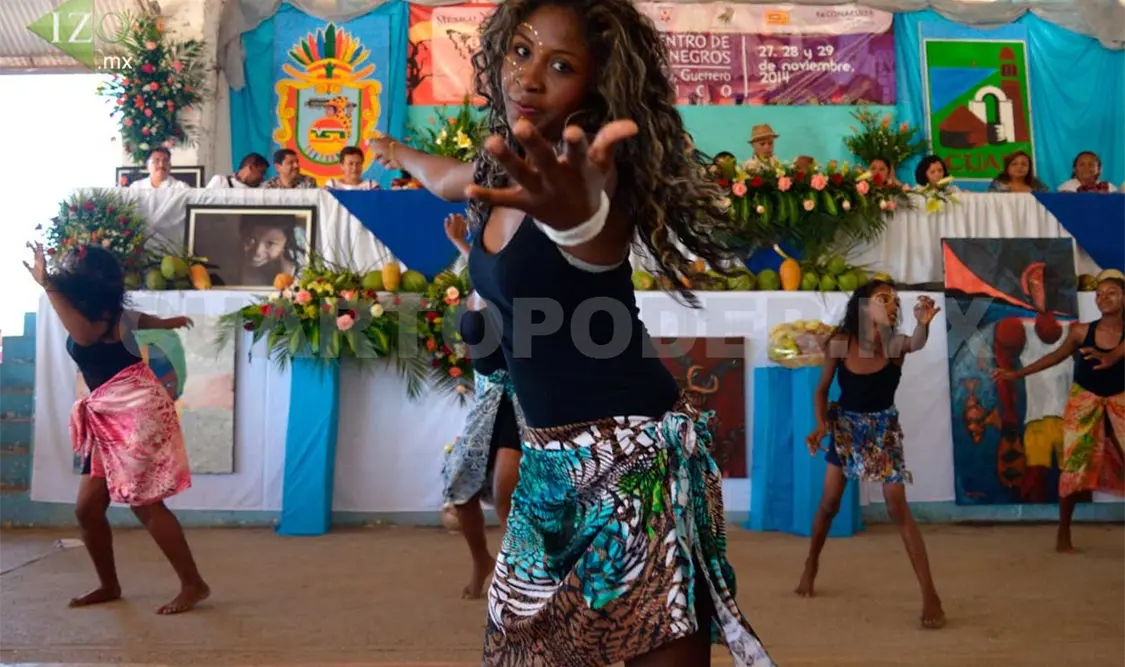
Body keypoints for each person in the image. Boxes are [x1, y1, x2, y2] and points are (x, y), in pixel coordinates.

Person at [368, 1, 772, 665]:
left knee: (657, 647)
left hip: (632, 459)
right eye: (520, 52)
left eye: (560, 65)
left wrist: (575, 219)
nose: (529, 77)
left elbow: (592, 230)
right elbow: (443, 178)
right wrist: (393, 151)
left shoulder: (587, 178)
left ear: (595, 83)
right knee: (522, 645)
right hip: (550, 463)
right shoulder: (500, 173)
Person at [24, 242, 209, 615]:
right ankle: (109, 584)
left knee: (145, 503)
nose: (67, 265)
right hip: (109, 414)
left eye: (74, 263)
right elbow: (139, 319)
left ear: (88, 279)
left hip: (136, 411)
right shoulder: (108, 312)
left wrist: (48, 285)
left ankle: (194, 584)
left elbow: (85, 337)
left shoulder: (93, 320)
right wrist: (166, 323)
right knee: (88, 509)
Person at [797, 281, 945, 630]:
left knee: (897, 506)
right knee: (829, 503)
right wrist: (821, 426)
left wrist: (923, 323)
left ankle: (930, 593)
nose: (892, 304)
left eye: (895, 300)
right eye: (883, 299)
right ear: (864, 306)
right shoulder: (840, 342)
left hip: (883, 430)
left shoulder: (895, 345)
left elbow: (916, 342)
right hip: (845, 428)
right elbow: (821, 390)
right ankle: (811, 563)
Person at [992, 270, 1125, 552]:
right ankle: (1063, 532)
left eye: (1111, 292)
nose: (1103, 298)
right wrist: (1016, 374)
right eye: (1099, 294)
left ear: (1124, 298)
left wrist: (1114, 355)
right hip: (1085, 401)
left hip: (1121, 401)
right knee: (1073, 467)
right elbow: (1053, 357)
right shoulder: (1081, 331)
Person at [440, 212, 524, 600]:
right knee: (460, 488)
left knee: (506, 487)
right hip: (488, 401)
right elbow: (485, 275)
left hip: (524, 400)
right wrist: (462, 244)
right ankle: (482, 561)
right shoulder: (479, 277)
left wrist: (462, 244)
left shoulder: (524, 279)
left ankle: (516, 575)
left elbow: (500, 282)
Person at [240, 218, 303, 286]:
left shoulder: (297, 269)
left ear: (286, 243)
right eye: (250, 240)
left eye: (270, 243)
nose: (257, 251)